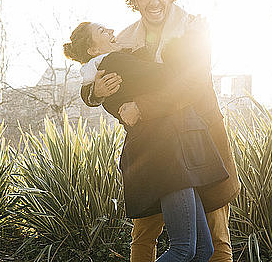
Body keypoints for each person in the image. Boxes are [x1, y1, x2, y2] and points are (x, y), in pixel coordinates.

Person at [81, 0, 240, 262]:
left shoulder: (193, 29)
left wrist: (141, 107)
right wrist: (96, 93)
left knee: (216, 240)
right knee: (143, 237)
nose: (154, 2)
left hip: (201, 141)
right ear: (135, 1)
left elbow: (192, 83)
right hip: (153, 148)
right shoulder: (125, 39)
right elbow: (101, 77)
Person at [64, 21, 229, 262]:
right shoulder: (115, 62)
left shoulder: (108, 67)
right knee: (183, 249)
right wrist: (194, 42)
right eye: (102, 31)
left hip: (177, 153)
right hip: (166, 155)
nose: (111, 30)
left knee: (203, 250)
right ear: (92, 50)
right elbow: (168, 77)